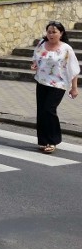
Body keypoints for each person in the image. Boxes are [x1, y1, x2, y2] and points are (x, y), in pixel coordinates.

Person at [31, 21, 80, 154]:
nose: (51, 35)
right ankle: (43, 140)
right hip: (41, 82)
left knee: (49, 109)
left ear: (61, 33)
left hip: (58, 84)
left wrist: (74, 88)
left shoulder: (66, 49)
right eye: (49, 32)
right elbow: (36, 57)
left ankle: (52, 141)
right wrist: (35, 64)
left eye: (54, 32)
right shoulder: (42, 44)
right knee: (41, 111)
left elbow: (74, 69)